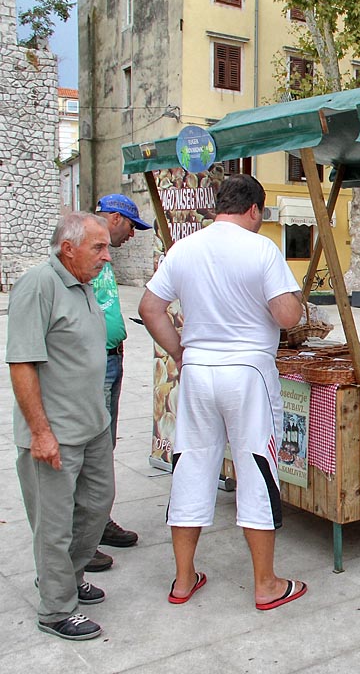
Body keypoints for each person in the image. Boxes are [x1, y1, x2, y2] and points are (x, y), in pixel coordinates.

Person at [138, 174, 308, 610]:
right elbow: (288, 316)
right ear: (254, 209)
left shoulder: (185, 248)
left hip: (198, 371)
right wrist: (293, 296)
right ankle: (266, 584)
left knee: (191, 466)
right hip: (247, 372)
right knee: (256, 468)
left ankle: (182, 579)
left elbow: (150, 307)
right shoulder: (262, 249)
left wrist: (181, 352)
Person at [7, 212, 115, 640]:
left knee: (96, 505)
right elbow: (22, 363)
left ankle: (65, 578)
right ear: (68, 248)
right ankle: (55, 608)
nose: (107, 256)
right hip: (54, 434)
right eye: (99, 247)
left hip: (91, 427)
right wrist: (40, 432)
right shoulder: (39, 284)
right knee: (54, 526)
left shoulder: (84, 283)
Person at [85, 194, 151, 573]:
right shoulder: (84, 254)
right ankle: (84, 537)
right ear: (114, 218)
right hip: (94, 363)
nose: (131, 236)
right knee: (90, 450)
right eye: (129, 227)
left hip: (112, 358)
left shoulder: (105, 257)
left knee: (104, 446)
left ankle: (99, 520)